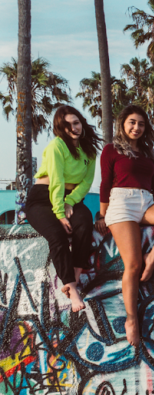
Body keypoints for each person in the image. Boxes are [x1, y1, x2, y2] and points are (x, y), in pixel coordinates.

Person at [99, 105, 154, 345]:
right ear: (122, 124)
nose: (136, 127)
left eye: (140, 124)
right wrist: (102, 215)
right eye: (132, 122)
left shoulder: (149, 154)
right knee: (133, 264)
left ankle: (153, 258)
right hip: (121, 204)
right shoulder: (111, 150)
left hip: (147, 203)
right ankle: (131, 318)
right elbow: (105, 183)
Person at [24, 105, 99, 312]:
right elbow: (56, 181)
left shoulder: (90, 151)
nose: (73, 128)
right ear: (60, 130)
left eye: (76, 123)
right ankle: (74, 290)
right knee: (57, 234)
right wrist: (59, 213)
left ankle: (71, 280)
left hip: (70, 199)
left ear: (81, 122)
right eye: (67, 126)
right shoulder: (57, 145)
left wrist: (70, 202)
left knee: (84, 224)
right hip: (42, 198)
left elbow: (86, 182)